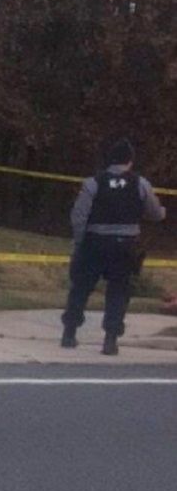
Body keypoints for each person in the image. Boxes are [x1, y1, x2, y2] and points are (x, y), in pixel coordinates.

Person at [60, 138, 167, 356]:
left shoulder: (93, 183)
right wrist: (162, 212)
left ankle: (69, 334)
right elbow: (155, 214)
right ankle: (110, 340)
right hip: (125, 246)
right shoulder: (140, 184)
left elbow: (78, 216)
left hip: (94, 242)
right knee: (119, 291)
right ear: (130, 161)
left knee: (81, 288)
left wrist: (80, 242)